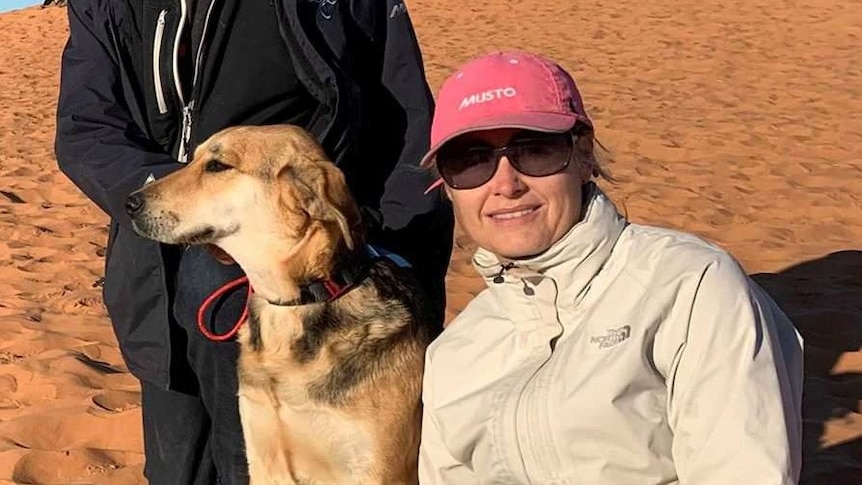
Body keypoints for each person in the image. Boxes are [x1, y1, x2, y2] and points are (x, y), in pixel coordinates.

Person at [54, 1, 453, 483]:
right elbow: (85, 129)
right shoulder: (106, 6)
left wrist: (402, 261)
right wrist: (186, 202)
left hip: (318, 286)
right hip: (154, 291)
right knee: (176, 469)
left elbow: (407, 125)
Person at [417, 51, 803, 485]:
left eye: (536, 150)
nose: (506, 185)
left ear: (583, 157)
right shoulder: (454, 354)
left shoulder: (688, 286)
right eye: (470, 161)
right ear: (447, 188)